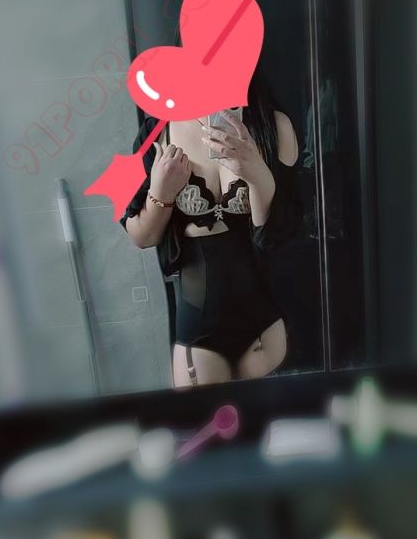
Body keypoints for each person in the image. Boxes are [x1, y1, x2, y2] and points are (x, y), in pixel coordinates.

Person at [120, 72, 302, 387]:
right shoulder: (157, 131)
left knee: (272, 418)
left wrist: (257, 173)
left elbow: (281, 235)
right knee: (208, 420)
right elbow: (142, 237)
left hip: (267, 324)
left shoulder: (275, 126)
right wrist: (161, 193)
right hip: (198, 330)